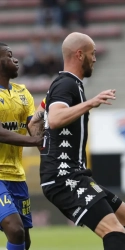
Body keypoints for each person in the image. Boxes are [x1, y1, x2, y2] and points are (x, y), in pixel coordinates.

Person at [28, 32, 125, 250]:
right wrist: (92, 103)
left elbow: (33, 124)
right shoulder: (66, 85)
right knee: (114, 230)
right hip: (64, 177)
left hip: (72, 173)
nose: (95, 58)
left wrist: (48, 152)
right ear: (79, 55)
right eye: (92, 54)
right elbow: (56, 119)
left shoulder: (59, 86)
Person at [0, 42, 43, 250]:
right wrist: (33, 140)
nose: (15, 59)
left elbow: (33, 127)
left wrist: (44, 142)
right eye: (9, 56)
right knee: (15, 230)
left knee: (24, 240)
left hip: (17, 176)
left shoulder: (23, 92)